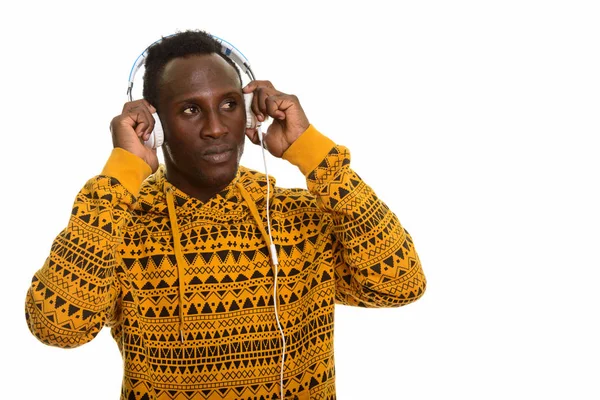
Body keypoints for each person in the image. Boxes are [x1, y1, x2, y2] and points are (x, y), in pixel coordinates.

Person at [25, 30, 426, 400]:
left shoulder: (293, 216)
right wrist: (122, 174)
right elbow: (58, 327)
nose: (216, 128)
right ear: (155, 126)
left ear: (251, 113)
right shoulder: (119, 226)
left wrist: (313, 152)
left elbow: (401, 284)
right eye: (190, 110)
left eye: (230, 105)